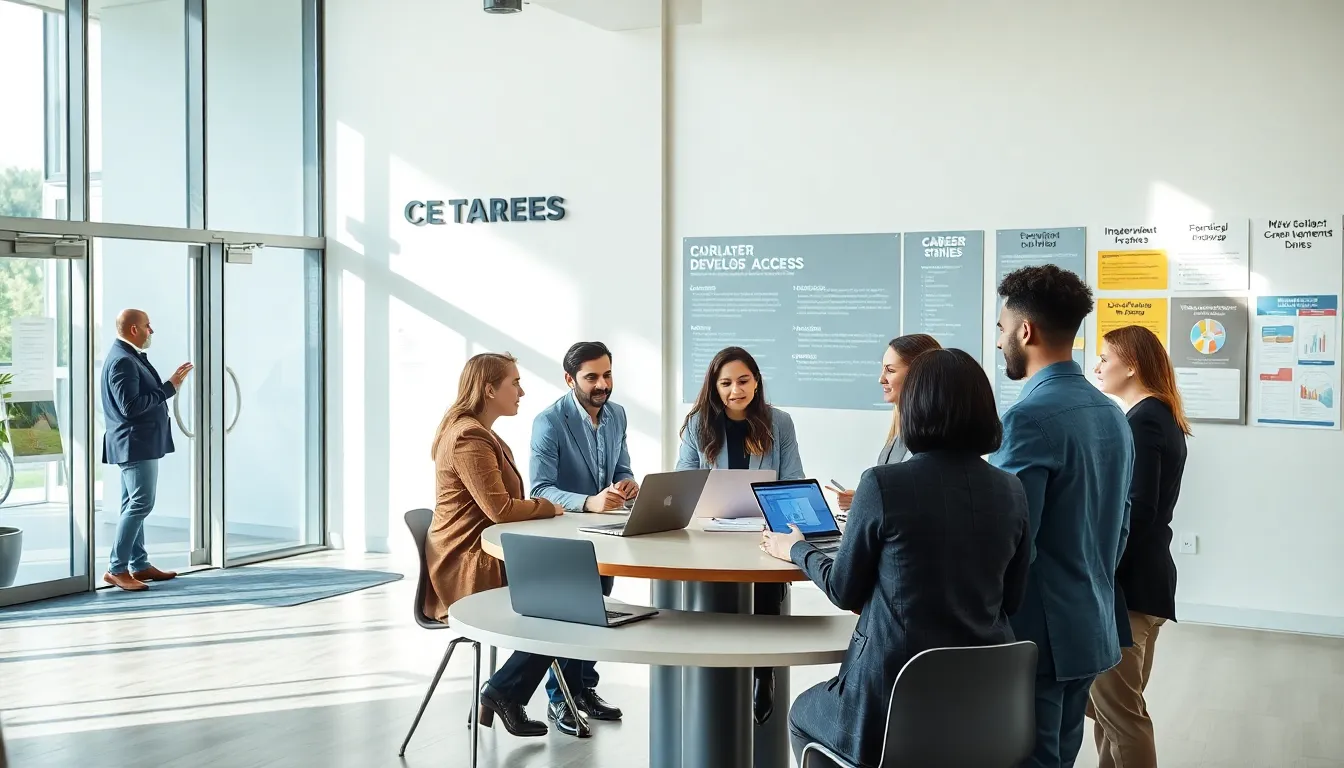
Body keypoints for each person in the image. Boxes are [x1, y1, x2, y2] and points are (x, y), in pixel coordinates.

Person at [761, 348, 1031, 767]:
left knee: (800, 714)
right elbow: (1011, 600)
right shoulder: (1011, 489)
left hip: (887, 709)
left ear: (916, 406)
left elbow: (843, 588)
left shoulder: (884, 485)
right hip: (981, 710)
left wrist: (796, 547)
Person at [989, 265, 1135, 768]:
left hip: (1038, 632)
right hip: (1090, 622)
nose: (1000, 340)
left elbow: (1010, 541)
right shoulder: (1112, 412)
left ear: (1025, 331)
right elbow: (1120, 525)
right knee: (1060, 756)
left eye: (1002, 329)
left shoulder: (1026, 419)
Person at [424, 352, 586, 738]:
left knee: (577, 592)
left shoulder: (483, 433)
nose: (522, 391)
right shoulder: (468, 436)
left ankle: (520, 692)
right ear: (489, 388)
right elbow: (499, 509)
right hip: (467, 566)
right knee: (569, 601)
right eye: (514, 383)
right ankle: (505, 693)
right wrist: (548, 506)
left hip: (485, 554)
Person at [676, 346, 804, 726]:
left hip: (763, 531)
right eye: (726, 383)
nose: (736, 390)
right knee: (717, 607)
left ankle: (764, 671)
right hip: (711, 532)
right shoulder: (699, 424)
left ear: (756, 381)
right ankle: (718, 680)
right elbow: (682, 483)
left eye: (743, 380)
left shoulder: (779, 423)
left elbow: (794, 481)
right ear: (714, 388)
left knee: (765, 588)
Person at [1087, 326, 1190, 768]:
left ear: (1132, 365)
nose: (1097, 366)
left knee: (1122, 716)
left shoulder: (1144, 418)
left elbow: (1138, 508)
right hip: (1147, 584)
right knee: (1111, 713)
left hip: (1128, 589)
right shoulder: (1161, 415)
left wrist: (1096, 569)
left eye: (1105, 358)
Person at [529, 341, 636, 730]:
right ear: (570, 378)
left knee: (597, 614)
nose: (602, 384)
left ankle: (584, 688)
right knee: (572, 619)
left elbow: (621, 468)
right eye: (592, 377)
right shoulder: (550, 421)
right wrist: (589, 501)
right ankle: (560, 700)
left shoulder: (617, 415)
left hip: (604, 533)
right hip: (565, 536)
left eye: (607, 375)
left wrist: (627, 484)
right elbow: (539, 489)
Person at [100, 309, 193, 592]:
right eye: (147, 326)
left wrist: (168, 385)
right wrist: (170, 387)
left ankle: (139, 564)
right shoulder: (123, 362)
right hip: (134, 445)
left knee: (133, 505)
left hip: (138, 444)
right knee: (141, 504)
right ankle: (116, 569)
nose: (151, 330)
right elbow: (131, 407)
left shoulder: (128, 357)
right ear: (133, 330)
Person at [825, 334, 941, 513]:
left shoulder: (932, 443)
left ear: (918, 374)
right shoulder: (898, 436)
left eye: (890, 370)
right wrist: (863, 499)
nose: (881, 379)